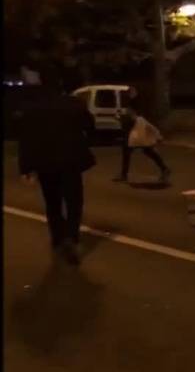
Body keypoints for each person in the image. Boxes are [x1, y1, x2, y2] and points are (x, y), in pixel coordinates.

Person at [18, 78, 96, 265]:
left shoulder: (32, 108)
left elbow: (26, 139)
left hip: (45, 163)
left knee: (52, 203)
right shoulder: (73, 104)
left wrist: (26, 167)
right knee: (74, 201)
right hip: (70, 160)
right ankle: (71, 236)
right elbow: (90, 125)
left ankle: (57, 238)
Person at [114, 87, 171, 183]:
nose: (128, 94)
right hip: (136, 130)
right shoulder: (135, 102)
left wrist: (122, 118)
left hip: (137, 130)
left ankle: (164, 169)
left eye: (130, 92)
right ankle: (164, 169)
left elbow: (135, 117)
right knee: (144, 151)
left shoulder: (136, 102)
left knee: (143, 150)